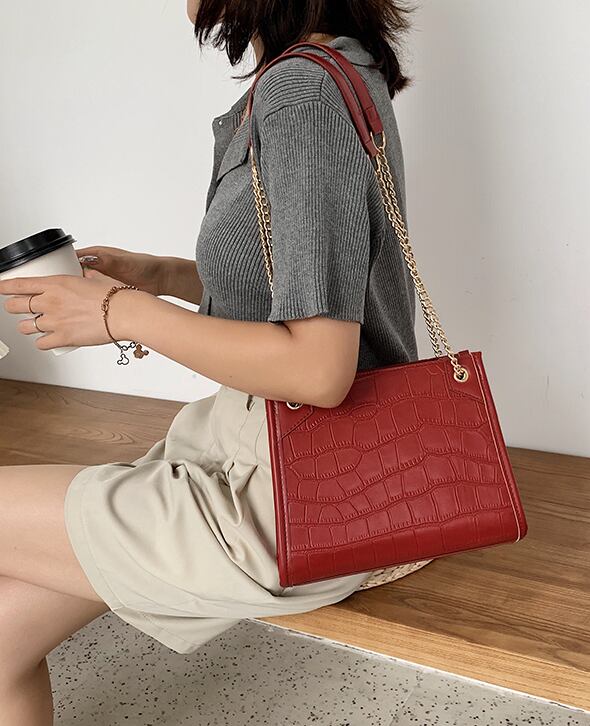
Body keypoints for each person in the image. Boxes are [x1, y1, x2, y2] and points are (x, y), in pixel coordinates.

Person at [0, 0, 418, 721]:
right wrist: (162, 277)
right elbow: (305, 290)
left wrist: (115, 312)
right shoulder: (330, 68)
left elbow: (319, 372)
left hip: (289, 499)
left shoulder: (303, 92)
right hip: (270, 458)